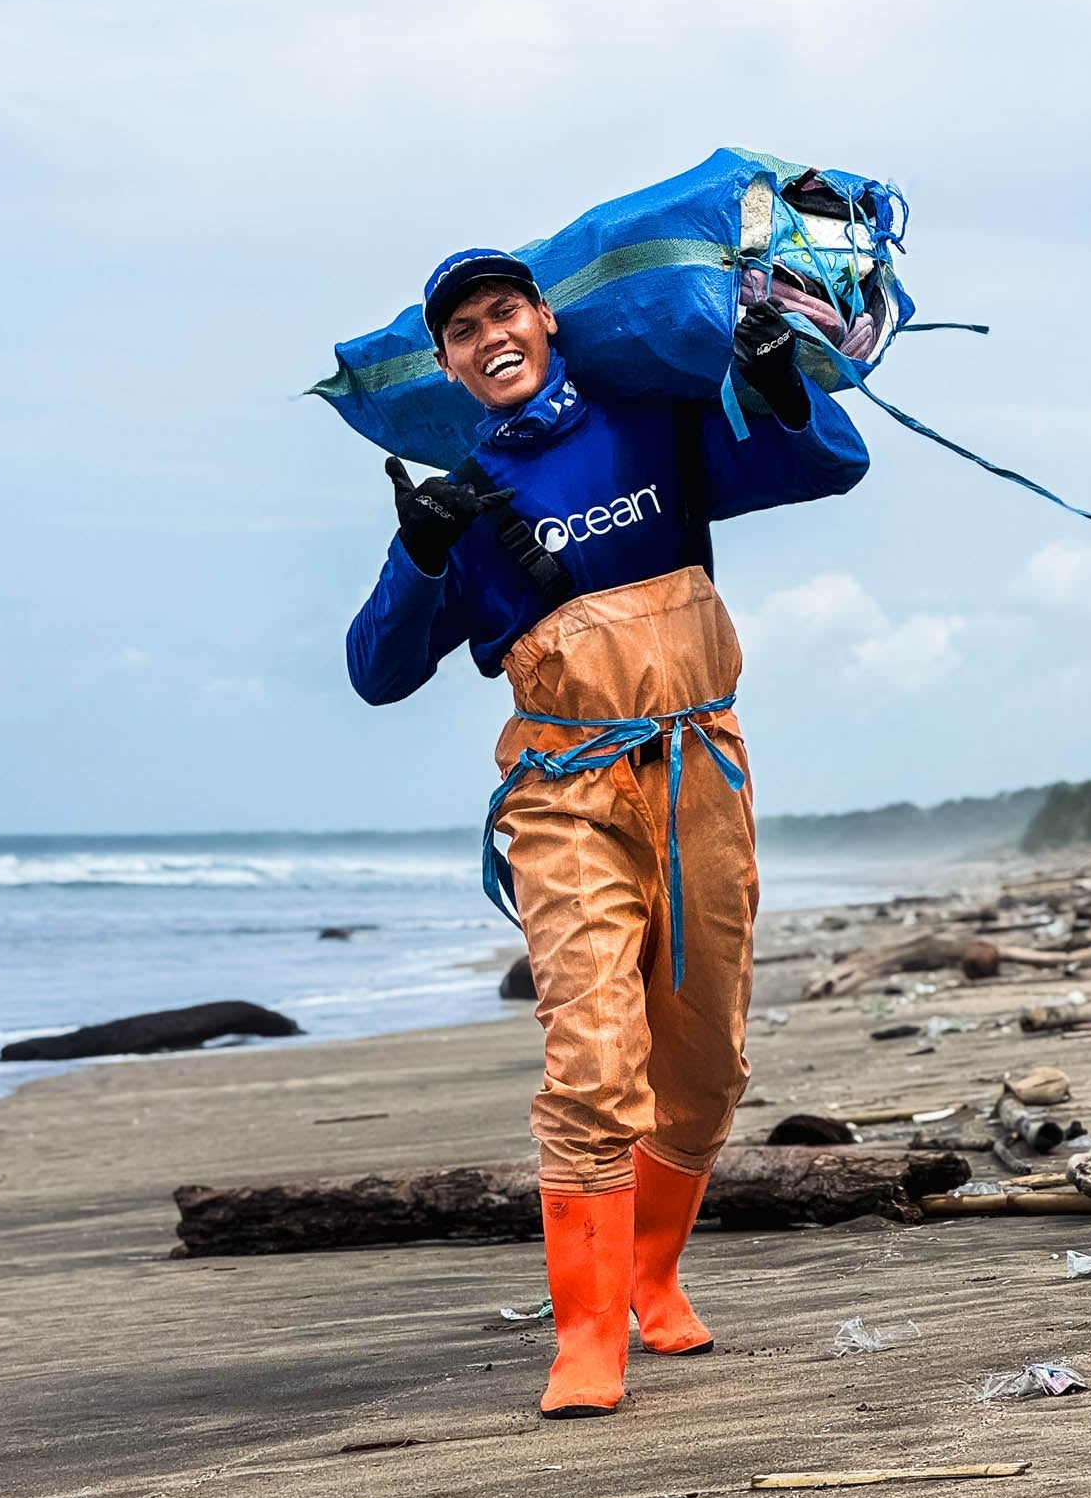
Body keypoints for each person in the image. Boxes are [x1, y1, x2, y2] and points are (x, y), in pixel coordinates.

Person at [347, 248, 868, 1417]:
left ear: (546, 319)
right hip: (563, 791)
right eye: (463, 330)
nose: (490, 337)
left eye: (503, 310)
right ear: (445, 364)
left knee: (706, 1059)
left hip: (700, 772)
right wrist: (423, 553)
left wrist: (781, 375)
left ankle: (652, 1272)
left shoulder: (655, 422)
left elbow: (831, 463)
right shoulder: (462, 497)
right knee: (592, 1056)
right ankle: (585, 1336)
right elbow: (375, 670)